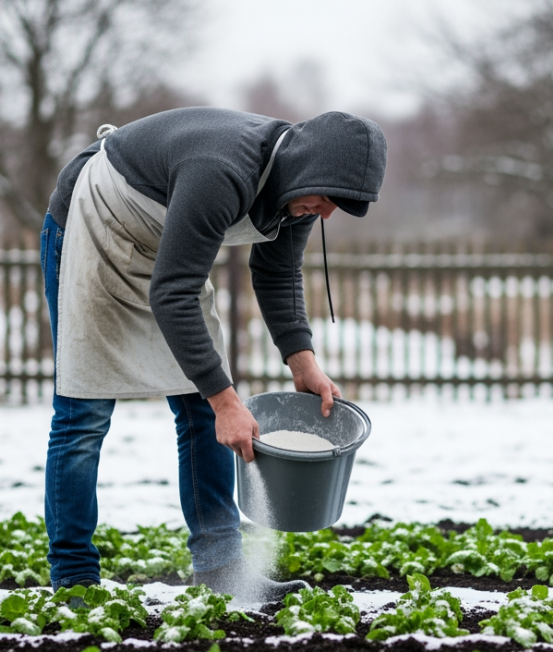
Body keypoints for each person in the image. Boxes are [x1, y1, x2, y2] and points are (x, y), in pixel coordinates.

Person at [39, 107, 386, 602]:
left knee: (204, 413)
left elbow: (277, 272)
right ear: (311, 169)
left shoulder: (298, 195)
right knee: (84, 413)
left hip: (164, 249)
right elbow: (174, 293)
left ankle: (221, 568)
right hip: (95, 225)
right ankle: (73, 577)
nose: (328, 212)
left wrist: (301, 359)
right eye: (329, 199)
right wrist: (226, 401)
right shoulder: (221, 171)